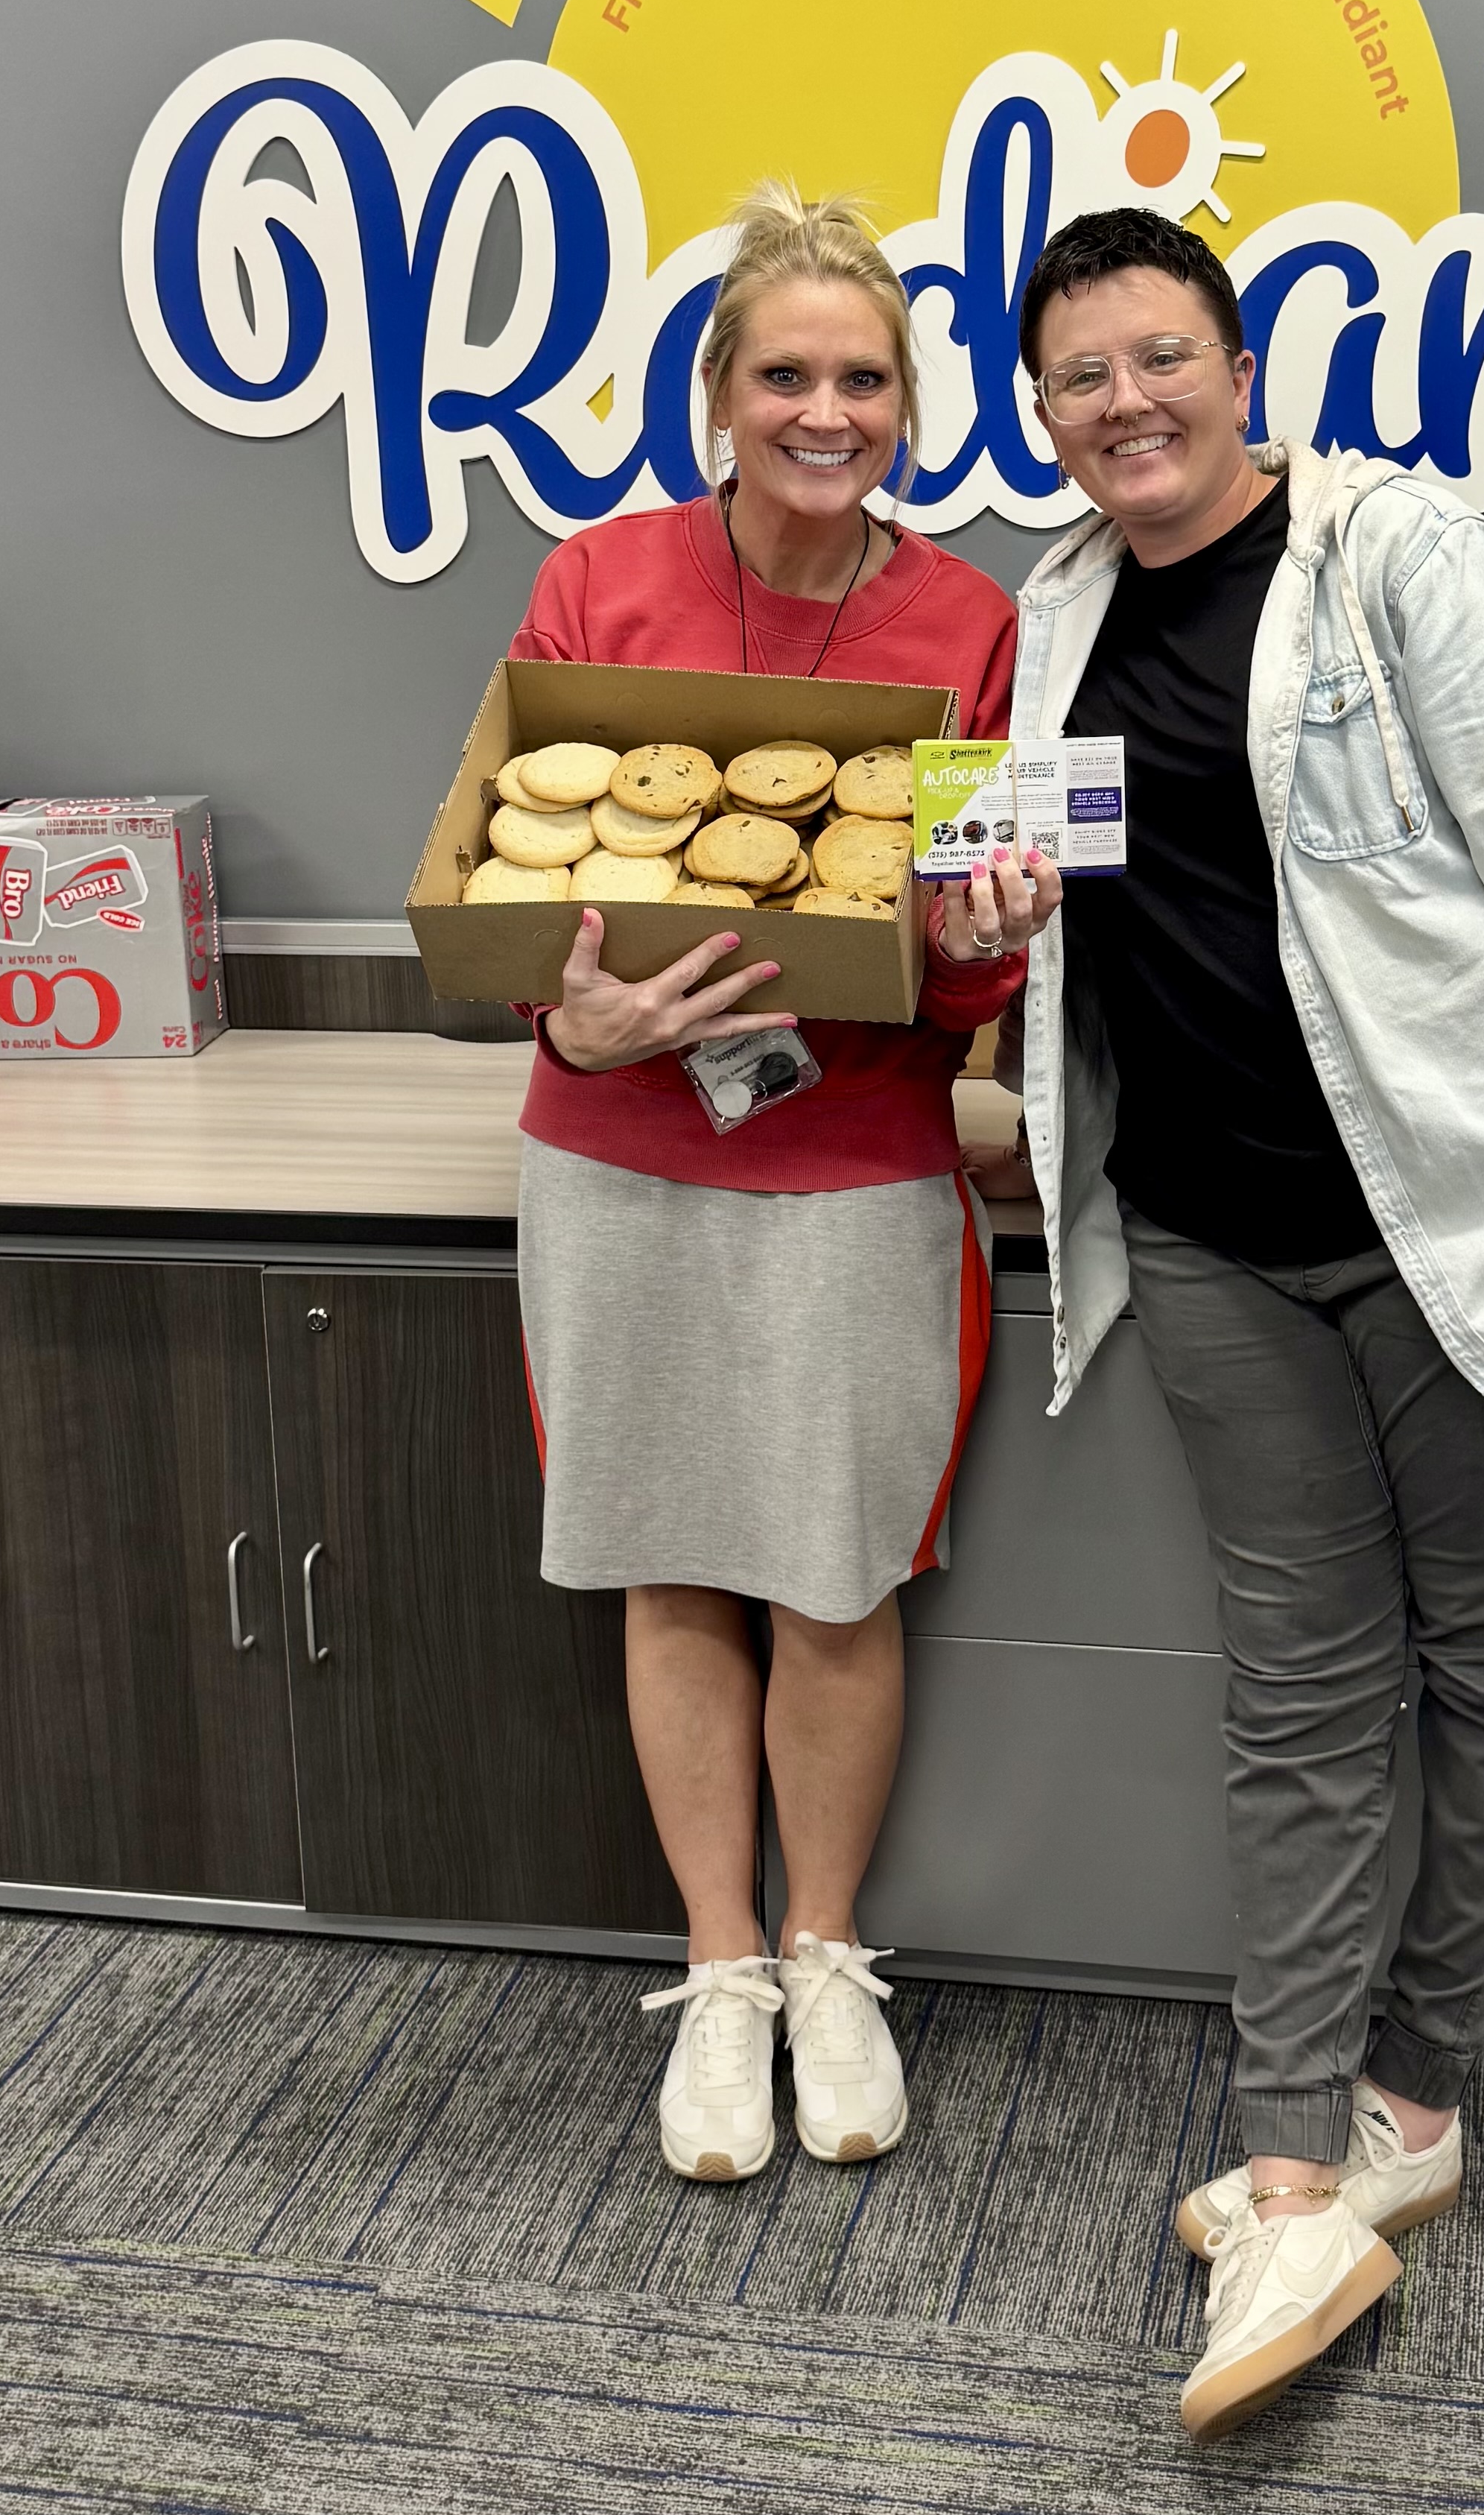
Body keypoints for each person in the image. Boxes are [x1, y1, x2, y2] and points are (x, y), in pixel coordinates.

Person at [998, 206, 1484, 2441]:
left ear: (1238, 364)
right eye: (1081, 376)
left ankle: (1416, 2095)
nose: (1126, 402)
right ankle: (1296, 2159)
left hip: (1460, 1220)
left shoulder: (1401, 558)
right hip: (1211, 1239)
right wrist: (986, 915)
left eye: (1160, 356)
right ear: (1046, 414)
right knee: (1300, 1700)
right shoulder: (1054, 613)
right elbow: (1056, 905)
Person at [513, 180, 1059, 2188]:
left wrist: (993, 939)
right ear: (720, 398)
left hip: (854, 1162)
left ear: (907, 404)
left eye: (864, 379)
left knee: (836, 1575)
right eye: (786, 375)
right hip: (622, 1160)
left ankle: (830, 1960)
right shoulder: (599, 585)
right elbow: (512, 880)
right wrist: (575, 1021)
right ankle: (721, 1968)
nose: (826, 412)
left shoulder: (968, 627)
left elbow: (979, 971)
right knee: (672, 1561)